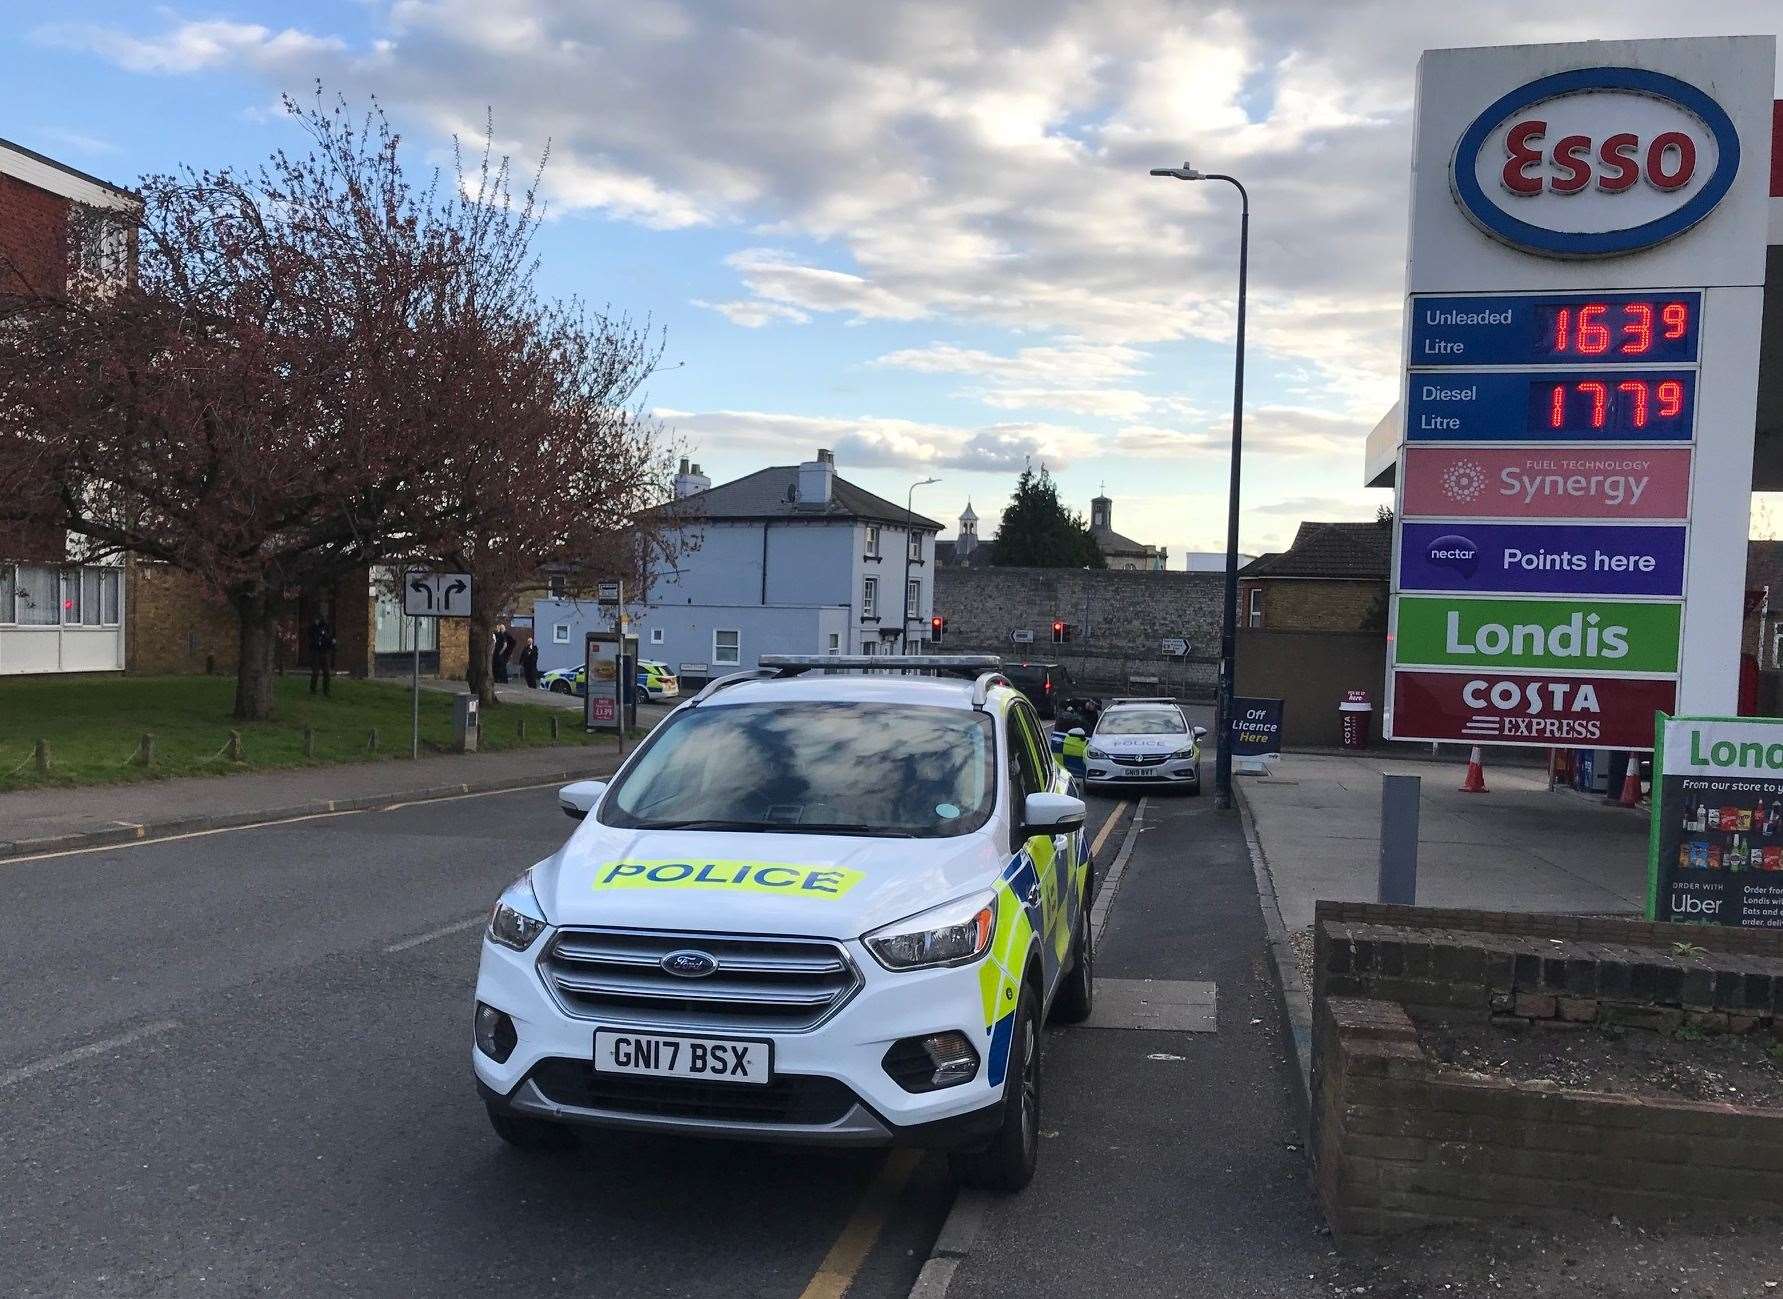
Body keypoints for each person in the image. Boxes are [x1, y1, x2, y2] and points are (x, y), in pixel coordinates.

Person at [308, 614, 335, 696]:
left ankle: (326, 691)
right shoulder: (313, 628)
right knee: (315, 672)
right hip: (315, 651)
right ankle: (313, 689)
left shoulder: (326, 627)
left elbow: (329, 637)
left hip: (324, 651)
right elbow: (311, 637)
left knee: (326, 672)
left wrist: (331, 641)